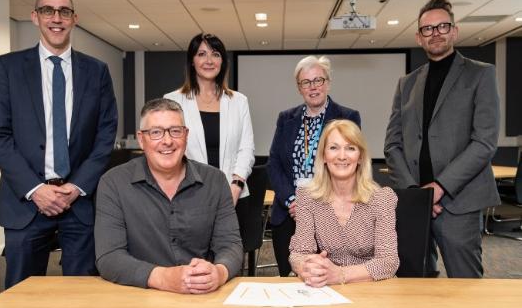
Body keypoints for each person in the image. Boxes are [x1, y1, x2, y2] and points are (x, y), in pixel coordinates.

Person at [0, 0, 118, 288]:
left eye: (64, 11)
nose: (56, 18)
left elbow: (105, 134)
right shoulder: (8, 67)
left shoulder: (97, 71)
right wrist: (35, 189)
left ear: (74, 19)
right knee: (21, 297)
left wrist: (76, 186)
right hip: (25, 205)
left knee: (81, 296)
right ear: (35, 17)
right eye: (48, 10)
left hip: (79, 204)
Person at [384, 0, 500, 278]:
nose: (435, 33)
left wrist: (438, 188)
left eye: (442, 26)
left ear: (454, 31)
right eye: (427, 29)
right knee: (414, 286)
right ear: (419, 37)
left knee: (465, 287)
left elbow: (484, 142)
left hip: (458, 203)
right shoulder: (407, 83)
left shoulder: (480, 75)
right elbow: (393, 144)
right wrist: (416, 193)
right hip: (414, 204)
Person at [95, 98, 242, 293]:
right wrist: (163, 277)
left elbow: (230, 245)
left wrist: (219, 273)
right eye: (156, 132)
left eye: (175, 131)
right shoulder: (113, 183)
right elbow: (109, 257)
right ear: (141, 139)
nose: (167, 141)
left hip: (200, 296)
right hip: (136, 297)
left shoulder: (215, 181)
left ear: (186, 135)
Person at [267, 55, 361, 277]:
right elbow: (274, 165)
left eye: (318, 80)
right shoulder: (286, 118)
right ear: (299, 88)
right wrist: (293, 201)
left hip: (330, 212)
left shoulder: (347, 117)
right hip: (289, 213)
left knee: (325, 278)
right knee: (289, 278)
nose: (313, 87)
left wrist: (313, 206)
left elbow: (346, 164)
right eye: (306, 82)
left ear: (328, 82)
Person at [164, 33, 255, 249]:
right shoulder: (173, 101)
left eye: (215, 54)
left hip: (234, 194)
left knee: (230, 259)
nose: (209, 60)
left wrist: (236, 185)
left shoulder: (238, 101)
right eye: (201, 54)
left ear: (222, 61)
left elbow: (246, 148)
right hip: (189, 195)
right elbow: (172, 147)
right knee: (192, 258)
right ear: (192, 61)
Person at [289, 120, 398, 286]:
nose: (341, 156)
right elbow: (299, 253)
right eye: (333, 147)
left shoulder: (382, 199)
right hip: (326, 287)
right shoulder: (307, 197)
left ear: (360, 157)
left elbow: (388, 262)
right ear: (324, 156)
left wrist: (340, 274)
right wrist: (307, 267)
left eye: (350, 148)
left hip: (372, 287)